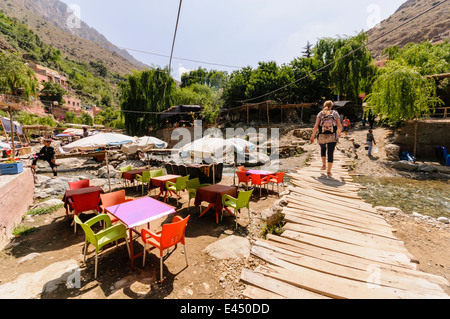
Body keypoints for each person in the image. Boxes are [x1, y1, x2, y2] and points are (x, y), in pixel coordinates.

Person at [310, 100, 342, 177]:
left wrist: (313, 136)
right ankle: (329, 171)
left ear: (324, 106)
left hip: (322, 136)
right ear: (331, 106)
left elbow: (316, 126)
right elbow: (339, 125)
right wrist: (339, 132)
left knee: (323, 149)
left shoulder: (321, 113)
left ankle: (324, 165)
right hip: (332, 136)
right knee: (330, 153)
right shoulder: (335, 113)